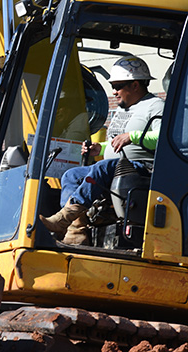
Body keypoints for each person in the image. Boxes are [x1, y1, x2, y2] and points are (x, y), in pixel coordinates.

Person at [39, 56, 163, 245]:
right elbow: (116, 143)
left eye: (117, 86)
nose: (113, 92)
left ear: (135, 85)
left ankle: (63, 219)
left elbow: (164, 139)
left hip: (143, 169)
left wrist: (133, 136)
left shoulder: (155, 106)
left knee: (102, 168)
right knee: (71, 175)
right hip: (113, 167)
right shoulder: (123, 110)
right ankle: (76, 232)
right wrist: (99, 148)